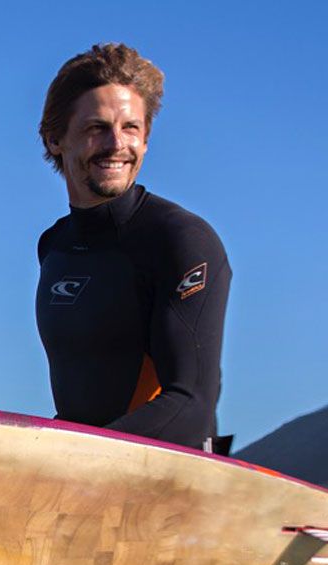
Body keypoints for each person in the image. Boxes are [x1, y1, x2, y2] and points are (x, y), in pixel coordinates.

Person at [35, 43, 232, 453]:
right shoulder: (54, 246)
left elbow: (191, 405)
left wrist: (71, 456)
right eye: (96, 128)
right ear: (55, 138)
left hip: (172, 484)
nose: (116, 144)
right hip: (83, 481)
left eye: (131, 128)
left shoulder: (180, 239)